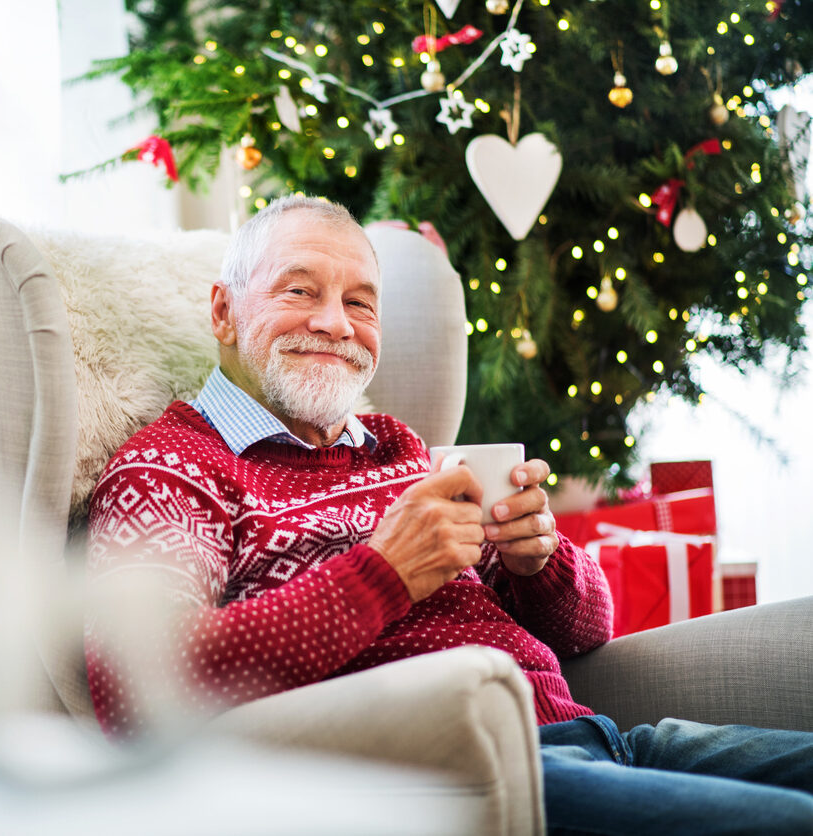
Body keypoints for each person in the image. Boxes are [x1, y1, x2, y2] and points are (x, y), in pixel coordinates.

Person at [84, 195, 813, 834]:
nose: (335, 324)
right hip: (454, 781)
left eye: (360, 302)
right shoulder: (171, 467)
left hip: (599, 739)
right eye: (299, 290)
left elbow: (591, 629)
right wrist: (381, 575)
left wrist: (539, 560)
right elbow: (134, 683)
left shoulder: (396, 447)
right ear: (223, 311)